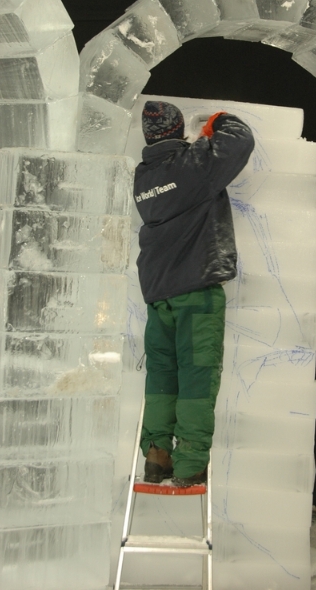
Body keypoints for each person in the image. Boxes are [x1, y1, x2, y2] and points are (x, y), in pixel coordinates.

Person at [134, 100, 254, 486]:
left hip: (158, 293)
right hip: (195, 291)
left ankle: (157, 454)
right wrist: (217, 121)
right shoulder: (192, 165)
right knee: (197, 376)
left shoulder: (145, 174)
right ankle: (189, 467)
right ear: (177, 129)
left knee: (163, 376)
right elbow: (239, 141)